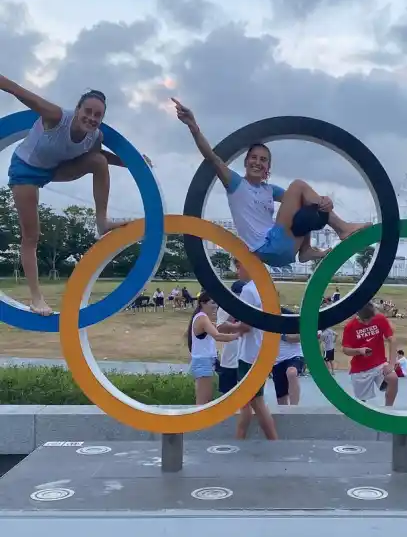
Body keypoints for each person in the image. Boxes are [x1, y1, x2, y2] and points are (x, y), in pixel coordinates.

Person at [1, 75, 151, 317]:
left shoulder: (95, 136)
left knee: (99, 160)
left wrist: (133, 162)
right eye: (87, 111)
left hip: (54, 169)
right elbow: (18, 90)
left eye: (97, 115)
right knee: (31, 235)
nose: (91, 118)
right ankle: (36, 297)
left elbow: (101, 158)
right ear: (78, 108)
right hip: (25, 171)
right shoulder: (56, 116)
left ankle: (102, 221)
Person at [174, 99, 368, 266]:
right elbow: (212, 158)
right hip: (267, 246)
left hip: (284, 250)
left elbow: (306, 201)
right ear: (246, 161)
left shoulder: (270, 190)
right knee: (299, 185)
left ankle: (306, 250)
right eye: (254, 158)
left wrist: (325, 203)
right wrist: (193, 125)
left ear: (268, 168)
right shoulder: (235, 184)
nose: (257, 162)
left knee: (306, 202)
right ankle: (341, 227)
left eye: (263, 160)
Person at [229, 260, 278, 440]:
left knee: (256, 402)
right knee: (246, 401)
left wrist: (227, 327)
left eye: (239, 267)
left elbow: (246, 325)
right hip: (260, 348)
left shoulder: (248, 290)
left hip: (249, 354)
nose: (237, 272)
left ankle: (274, 440)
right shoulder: (263, 288)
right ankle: (239, 437)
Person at [187, 291, 240, 407]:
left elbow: (219, 329)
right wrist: (237, 336)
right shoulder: (202, 318)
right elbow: (217, 336)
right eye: (212, 303)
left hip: (206, 361)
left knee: (206, 400)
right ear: (202, 303)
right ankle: (199, 425)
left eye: (217, 303)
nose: (216, 306)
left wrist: (234, 321)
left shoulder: (203, 318)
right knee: (203, 403)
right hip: (203, 362)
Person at [342, 301, 398, 406]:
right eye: (364, 320)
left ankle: (389, 410)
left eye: (370, 319)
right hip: (360, 369)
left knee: (393, 378)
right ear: (358, 315)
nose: (367, 323)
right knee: (361, 403)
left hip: (379, 364)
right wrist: (359, 350)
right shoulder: (350, 327)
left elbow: (392, 340)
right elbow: (345, 350)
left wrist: (391, 364)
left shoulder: (380, 319)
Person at [215, 280, 246, 395]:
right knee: (227, 395)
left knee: (247, 396)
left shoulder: (251, 307)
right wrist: (237, 325)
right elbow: (220, 328)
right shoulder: (225, 307)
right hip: (230, 359)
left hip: (247, 358)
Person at [272, 307, 304, 405]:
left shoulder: (290, 319)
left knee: (291, 373)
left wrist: (282, 335)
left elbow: (299, 337)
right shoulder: (268, 321)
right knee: (281, 399)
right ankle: (284, 414)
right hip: (277, 360)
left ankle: (294, 408)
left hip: (294, 355)